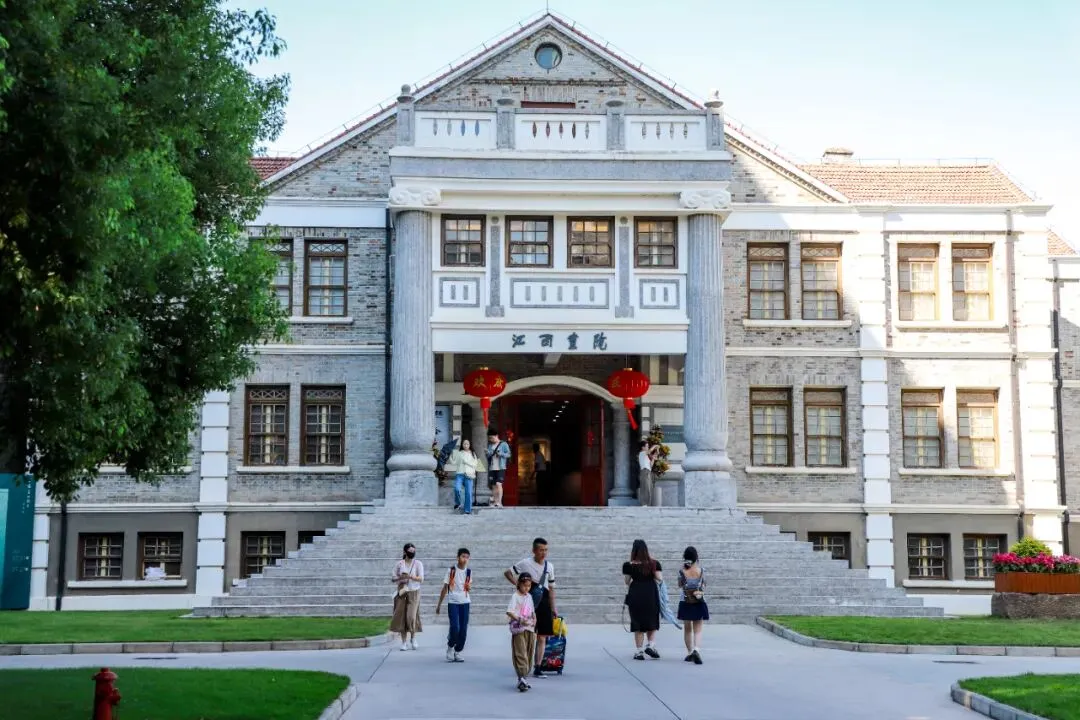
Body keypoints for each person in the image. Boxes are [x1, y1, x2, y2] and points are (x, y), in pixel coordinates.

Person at [505, 537, 557, 679]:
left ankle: (538, 667)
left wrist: (553, 607)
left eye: (546, 550)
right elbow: (508, 572)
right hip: (528, 602)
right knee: (527, 634)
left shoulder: (550, 566)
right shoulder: (525, 563)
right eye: (541, 550)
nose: (543, 553)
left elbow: (551, 588)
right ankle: (524, 665)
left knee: (542, 636)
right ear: (534, 550)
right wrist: (518, 585)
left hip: (544, 602)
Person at [623, 538, 662, 660]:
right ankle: (650, 645)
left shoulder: (628, 565)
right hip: (650, 594)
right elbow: (659, 579)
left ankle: (639, 651)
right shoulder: (654, 563)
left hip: (635, 594)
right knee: (651, 620)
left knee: (637, 622)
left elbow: (627, 581)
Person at [435, 547, 472, 662]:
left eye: (467, 557)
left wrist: (469, 587)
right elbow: (444, 588)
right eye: (463, 557)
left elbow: (468, 587)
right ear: (458, 557)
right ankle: (450, 646)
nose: (465, 559)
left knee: (463, 630)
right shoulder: (451, 571)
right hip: (453, 602)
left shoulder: (469, 572)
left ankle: (458, 651)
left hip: (465, 602)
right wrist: (439, 605)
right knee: (455, 627)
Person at [677, 545, 709, 664]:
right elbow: (704, 585)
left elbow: (679, 585)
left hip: (685, 601)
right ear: (696, 557)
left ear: (685, 557)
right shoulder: (701, 571)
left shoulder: (682, 571)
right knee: (698, 628)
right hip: (698, 600)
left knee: (687, 629)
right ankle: (696, 649)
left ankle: (690, 652)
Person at [390, 542, 424, 651]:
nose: (412, 553)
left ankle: (413, 638)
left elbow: (421, 578)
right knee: (401, 617)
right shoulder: (399, 564)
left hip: (414, 591)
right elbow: (393, 578)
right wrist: (400, 577)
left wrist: (411, 577)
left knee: (411, 616)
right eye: (410, 551)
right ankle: (404, 642)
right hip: (402, 591)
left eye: (414, 551)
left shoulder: (418, 563)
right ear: (405, 552)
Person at [506, 573, 536, 692]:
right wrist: (519, 619)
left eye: (529, 586)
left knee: (528, 652)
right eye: (524, 586)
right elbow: (509, 611)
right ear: (519, 584)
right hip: (519, 628)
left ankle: (523, 678)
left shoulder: (529, 596)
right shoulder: (515, 596)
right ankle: (521, 676)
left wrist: (534, 618)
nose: (527, 588)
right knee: (520, 652)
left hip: (529, 627)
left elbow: (532, 610)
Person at [450, 439, 482, 515]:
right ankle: (458, 503)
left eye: (467, 444)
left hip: (469, 475)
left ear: (469, 445)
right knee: (457, 489)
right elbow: (454, 463)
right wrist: (450, 456)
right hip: (460, 474)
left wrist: (466, 462)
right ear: (462, 445)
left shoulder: (473, 454)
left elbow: (475, 465)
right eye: (464, 444)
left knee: (468, 493)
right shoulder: (459, 453)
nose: (466, 445)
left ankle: (467, 510)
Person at [487, 431, 511, 508]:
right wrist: (487, 453)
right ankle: (495, 502)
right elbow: (489, 456)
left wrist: (500, 454)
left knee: (498, 484)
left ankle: (500, 502)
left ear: (496, 436)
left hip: (501, 467)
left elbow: (509, 454)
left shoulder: (503, 444)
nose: (491, 439)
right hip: (492, 467)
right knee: (494, 485)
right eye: (489, 438)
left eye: (492, 438)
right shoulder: (490, 445)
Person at [637, 441, 657, 507]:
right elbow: (649, 451)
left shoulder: (646, 456)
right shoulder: (642, 453)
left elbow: (651, 465)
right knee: (645, 488)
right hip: (644, 471)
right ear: (643, 447)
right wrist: (654, 446)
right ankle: (644, 504)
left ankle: (647, 504)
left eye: (648, 446)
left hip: (648, 472)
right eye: (647, 446)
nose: (648, 447)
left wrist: (653, 458)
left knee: (649, 488)